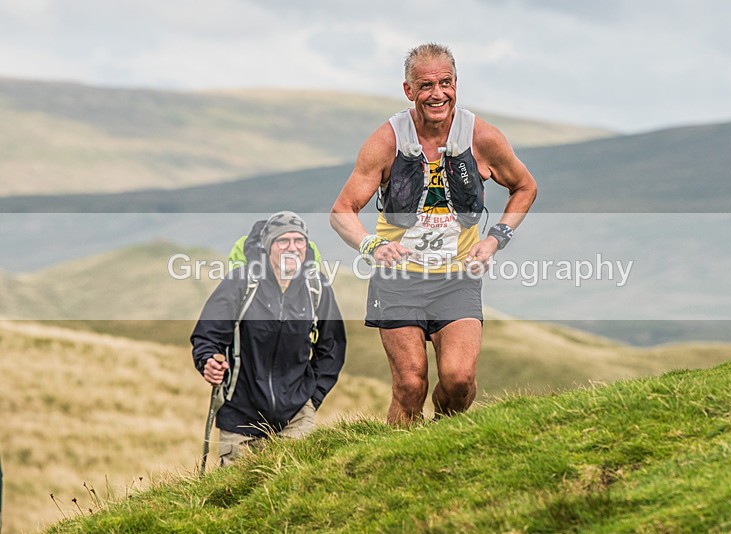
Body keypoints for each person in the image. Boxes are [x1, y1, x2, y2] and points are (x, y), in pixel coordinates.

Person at [330, 43, 537, 426]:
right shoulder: (387, 140)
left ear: (456, 84)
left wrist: (494, 240)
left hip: (457, 279)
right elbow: (341, 211)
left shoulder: (482, 137)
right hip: (398, 281)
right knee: (410, 386)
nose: (437, 93)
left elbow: (525, 187)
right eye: (425, 85)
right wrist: (371, 245)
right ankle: (396, 465)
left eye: (445, 83)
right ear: (409, 90)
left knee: (459, 381)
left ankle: (442, 435)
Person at [191, 211, 346, 465]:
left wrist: (310, 398)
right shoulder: (241, 283)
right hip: (240, 414)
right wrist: (208, 360)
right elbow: (207, 335)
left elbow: (332, 347)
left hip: (296, 416)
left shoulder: (315, 287)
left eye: (299, 241)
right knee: (237, 496)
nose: (292, 248)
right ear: (268, 246)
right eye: (283, 241)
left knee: (293, 491)